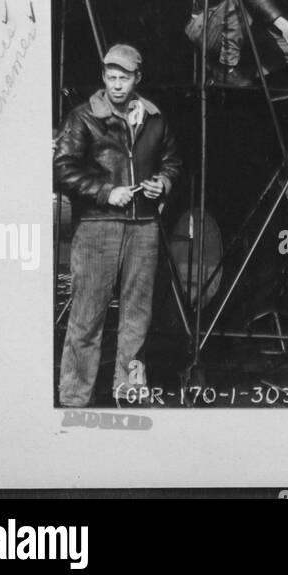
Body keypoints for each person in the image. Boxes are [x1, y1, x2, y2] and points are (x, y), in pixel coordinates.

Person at [54, 44, 182, 406]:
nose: (116, 85)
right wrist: (106, 192)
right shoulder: (83, 117)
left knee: (137, 316)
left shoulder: (155, 118)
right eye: (110, 78)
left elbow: (173, 161)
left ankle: (130, 390)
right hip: (97, 227)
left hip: (144, 227)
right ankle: (75, 398)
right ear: (103, 78)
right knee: (86, 316)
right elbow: (62, 168)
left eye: (123, 78)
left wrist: (163, 182)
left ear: (137, 79)